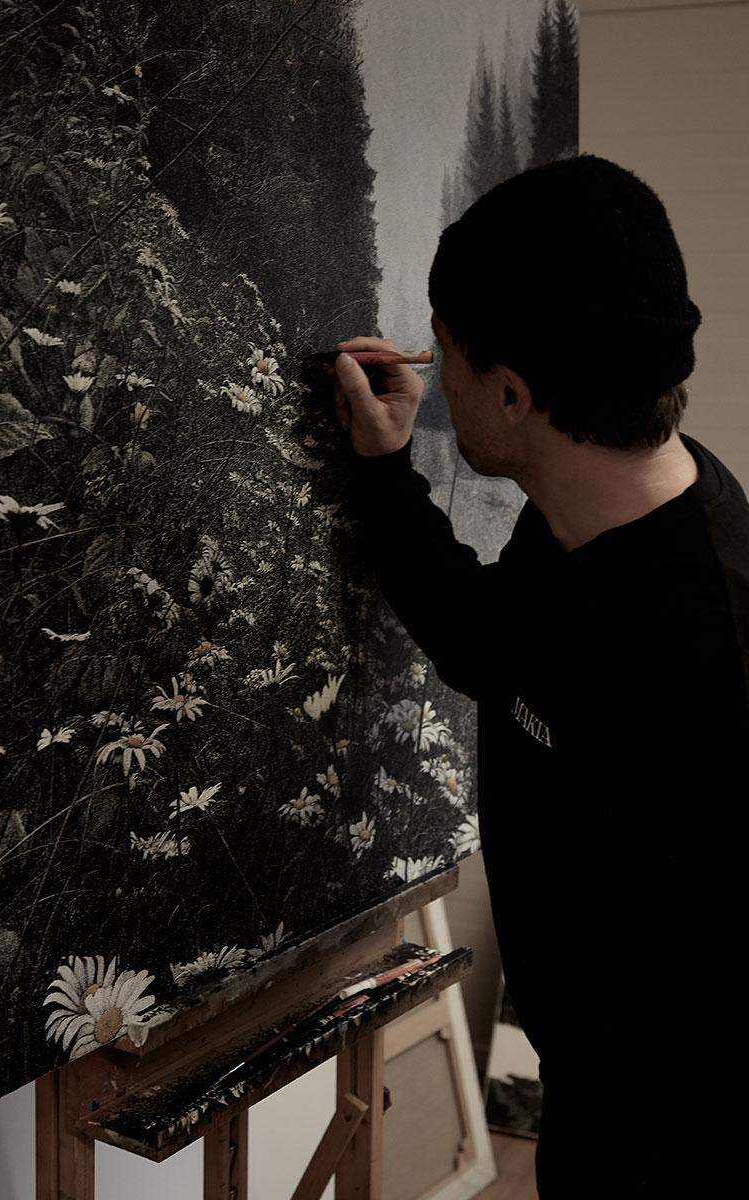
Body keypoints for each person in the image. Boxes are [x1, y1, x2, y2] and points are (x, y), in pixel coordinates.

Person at [330, 153, 748, 1197]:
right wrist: (384, 473)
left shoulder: (712, 654)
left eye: (447, 354)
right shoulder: (578, 519)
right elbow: (493, 646)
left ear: (512, 394)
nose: (434, 371)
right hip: (598, 1101)